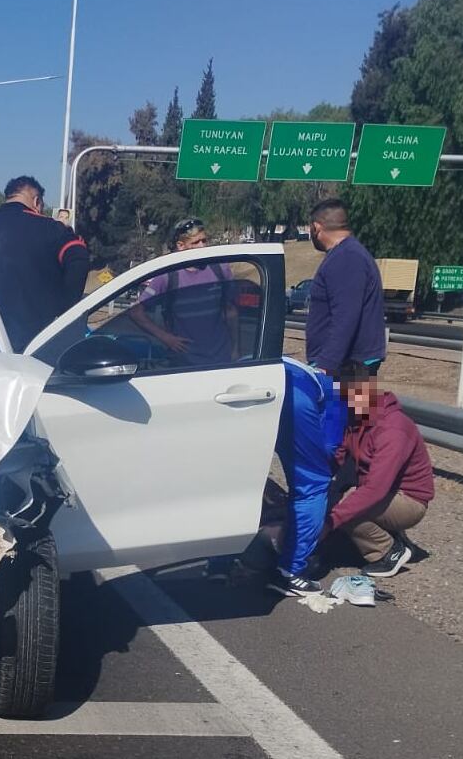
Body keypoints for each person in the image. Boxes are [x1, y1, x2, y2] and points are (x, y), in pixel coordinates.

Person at [324, 367, 434, 577]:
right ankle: (394, 536)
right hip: (386, 493)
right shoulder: (356, 418)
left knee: (346, 507)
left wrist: (330, 522)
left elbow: (375, 489)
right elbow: (339, 455)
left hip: (409, 501)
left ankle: (388, 551)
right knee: (333, 497)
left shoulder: (393, 428)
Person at [0, 175, 93, 351]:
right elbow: (78, 257)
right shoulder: (50, 229)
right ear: (37, 201)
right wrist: (65, 312)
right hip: (36, 342)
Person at [262, 358, 348, 596]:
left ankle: (220, 562)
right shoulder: (337, 395)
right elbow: (330, 446)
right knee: (313, 483)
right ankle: (291, 571)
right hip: (294, 397)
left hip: (246, 381)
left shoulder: (301, 365)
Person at [127, 218, 239, 367]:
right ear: (181, 245)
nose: (203, 246)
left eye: (204, 241)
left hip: (220, 361)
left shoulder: (219, 268)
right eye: (196, 242)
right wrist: (166, 338)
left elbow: (230, 312)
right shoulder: (168, 276)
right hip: (183, 365)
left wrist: (236, 349)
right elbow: (136, 312)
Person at [304, 199, 386, 378]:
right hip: (345, 365)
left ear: (317, 227)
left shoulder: (346, 258)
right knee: (357, 407)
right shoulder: (347, 254)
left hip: (348, 369)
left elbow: (346, 316)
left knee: (351, 408)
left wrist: (326, 363)